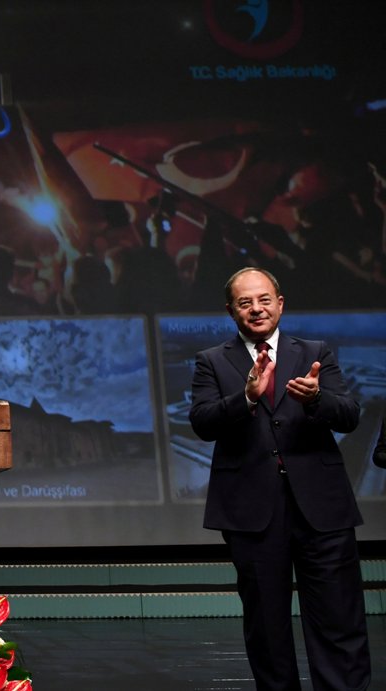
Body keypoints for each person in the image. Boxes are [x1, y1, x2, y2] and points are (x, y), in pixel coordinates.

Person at [189, 267, 370, 691]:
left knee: (339, 620)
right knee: (267, 628)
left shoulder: (315, 351)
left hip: (321, 508)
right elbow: (202, 422)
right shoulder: (212, 361)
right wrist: (246, 398)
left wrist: (318, 399)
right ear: (231, 312)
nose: (257, 309)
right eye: (246, 302)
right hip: (251, 514)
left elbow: (350, 415)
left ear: (280, 303)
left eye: (265, 299)